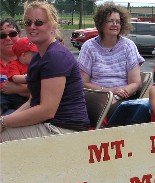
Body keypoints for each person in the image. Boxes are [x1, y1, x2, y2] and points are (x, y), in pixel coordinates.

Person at [0, 1, 90, 142]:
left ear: (53, 25)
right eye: (28, 22)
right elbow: (32, 101)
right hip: (48, 123)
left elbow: (47, 110)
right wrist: (4, 122)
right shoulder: (38, 57)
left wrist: (3, 123)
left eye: (39, 22)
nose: (32, 27)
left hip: (65, 129)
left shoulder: (56, 56)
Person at [77, 2, 145, 116]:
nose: (115, 24)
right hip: (95, 97)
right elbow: (83, 83)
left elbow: (135, 83)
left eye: (118, 21)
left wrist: (117, 95)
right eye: (110, 21)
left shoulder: (128, 46)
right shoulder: (88, 47)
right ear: (101, 23)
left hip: (122, 98)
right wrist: (109, 92)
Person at [0, 37, 38, 115]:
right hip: (9, 95)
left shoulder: (35, 65)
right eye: (34, 54)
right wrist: (32, 77)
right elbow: (15, 78)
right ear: (23, 55)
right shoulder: (14, 64)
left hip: (24, 97)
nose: (38, 56)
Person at [0, 18, 30, 115]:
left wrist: (17, 89)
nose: (8, 38)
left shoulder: (32, 60)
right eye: (2, 35)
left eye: (12, 34)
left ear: (19, 35)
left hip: (24, 108)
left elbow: (45, 94)